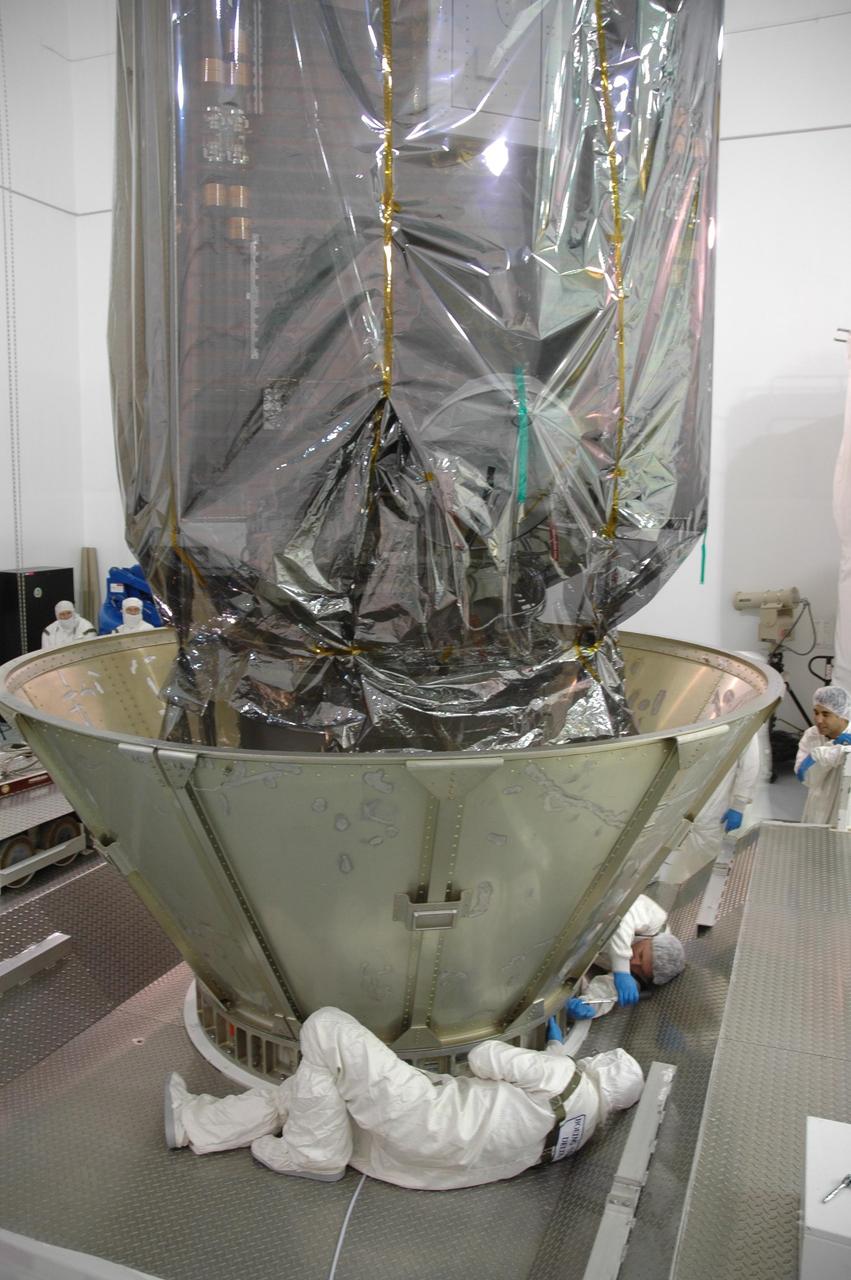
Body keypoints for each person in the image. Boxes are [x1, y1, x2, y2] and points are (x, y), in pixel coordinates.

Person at [163, 1005, 644, 1189]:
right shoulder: (583, 1130)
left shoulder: (565, 1076)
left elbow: (485, 1058)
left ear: (602, 1067)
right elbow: (545, 1109)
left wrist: (549, 1057)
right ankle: (196, 1124)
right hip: (426, 1168)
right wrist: (555, 1057)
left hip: (423, 1116)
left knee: (325, 1030)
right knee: (313, 1089)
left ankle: (314, 1156)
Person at [565, 893, 685, 1020]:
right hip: (576, 904)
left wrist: (589, 1004)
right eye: (641, 955)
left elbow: (610, 990)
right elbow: (622, 916)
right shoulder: (654, 918)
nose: (633, 962)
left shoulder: (641, 973)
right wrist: (622, 970)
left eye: (640, 969)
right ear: (651, 939)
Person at [795, 686, 851, 825]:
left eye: (826, 714)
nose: (818, 720)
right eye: (816, 712)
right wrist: (833, 750)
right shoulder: (812, 735)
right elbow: (804, 776)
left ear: (841, 715)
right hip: (816, 811)